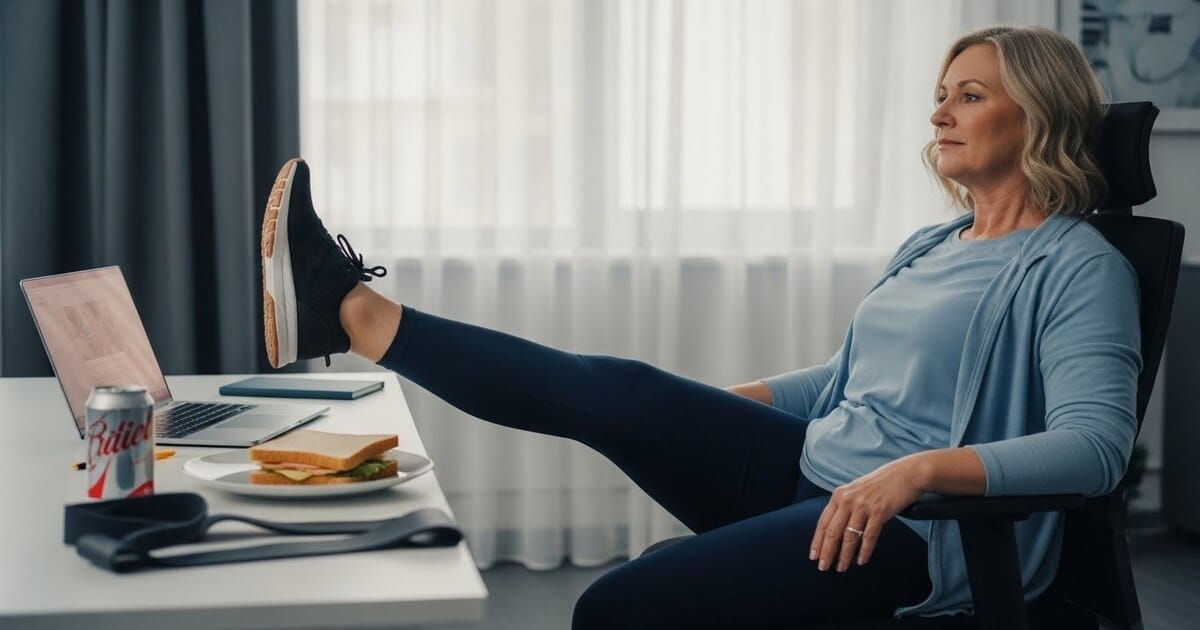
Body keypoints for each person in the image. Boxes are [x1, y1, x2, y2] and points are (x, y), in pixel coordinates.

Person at [257, 25, 1141, 628]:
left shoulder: (1076, 264)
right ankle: (347, 312)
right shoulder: (933, 241)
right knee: (624, 391)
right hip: (816, 472)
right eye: (941, 94)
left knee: (616, 609)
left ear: (1039, 115)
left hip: (910, 531)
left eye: (970, 96)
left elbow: (1095, 446)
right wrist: (702, 411)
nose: (939, 113)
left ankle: (343, 312)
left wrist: (915, 475)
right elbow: (845, 381)